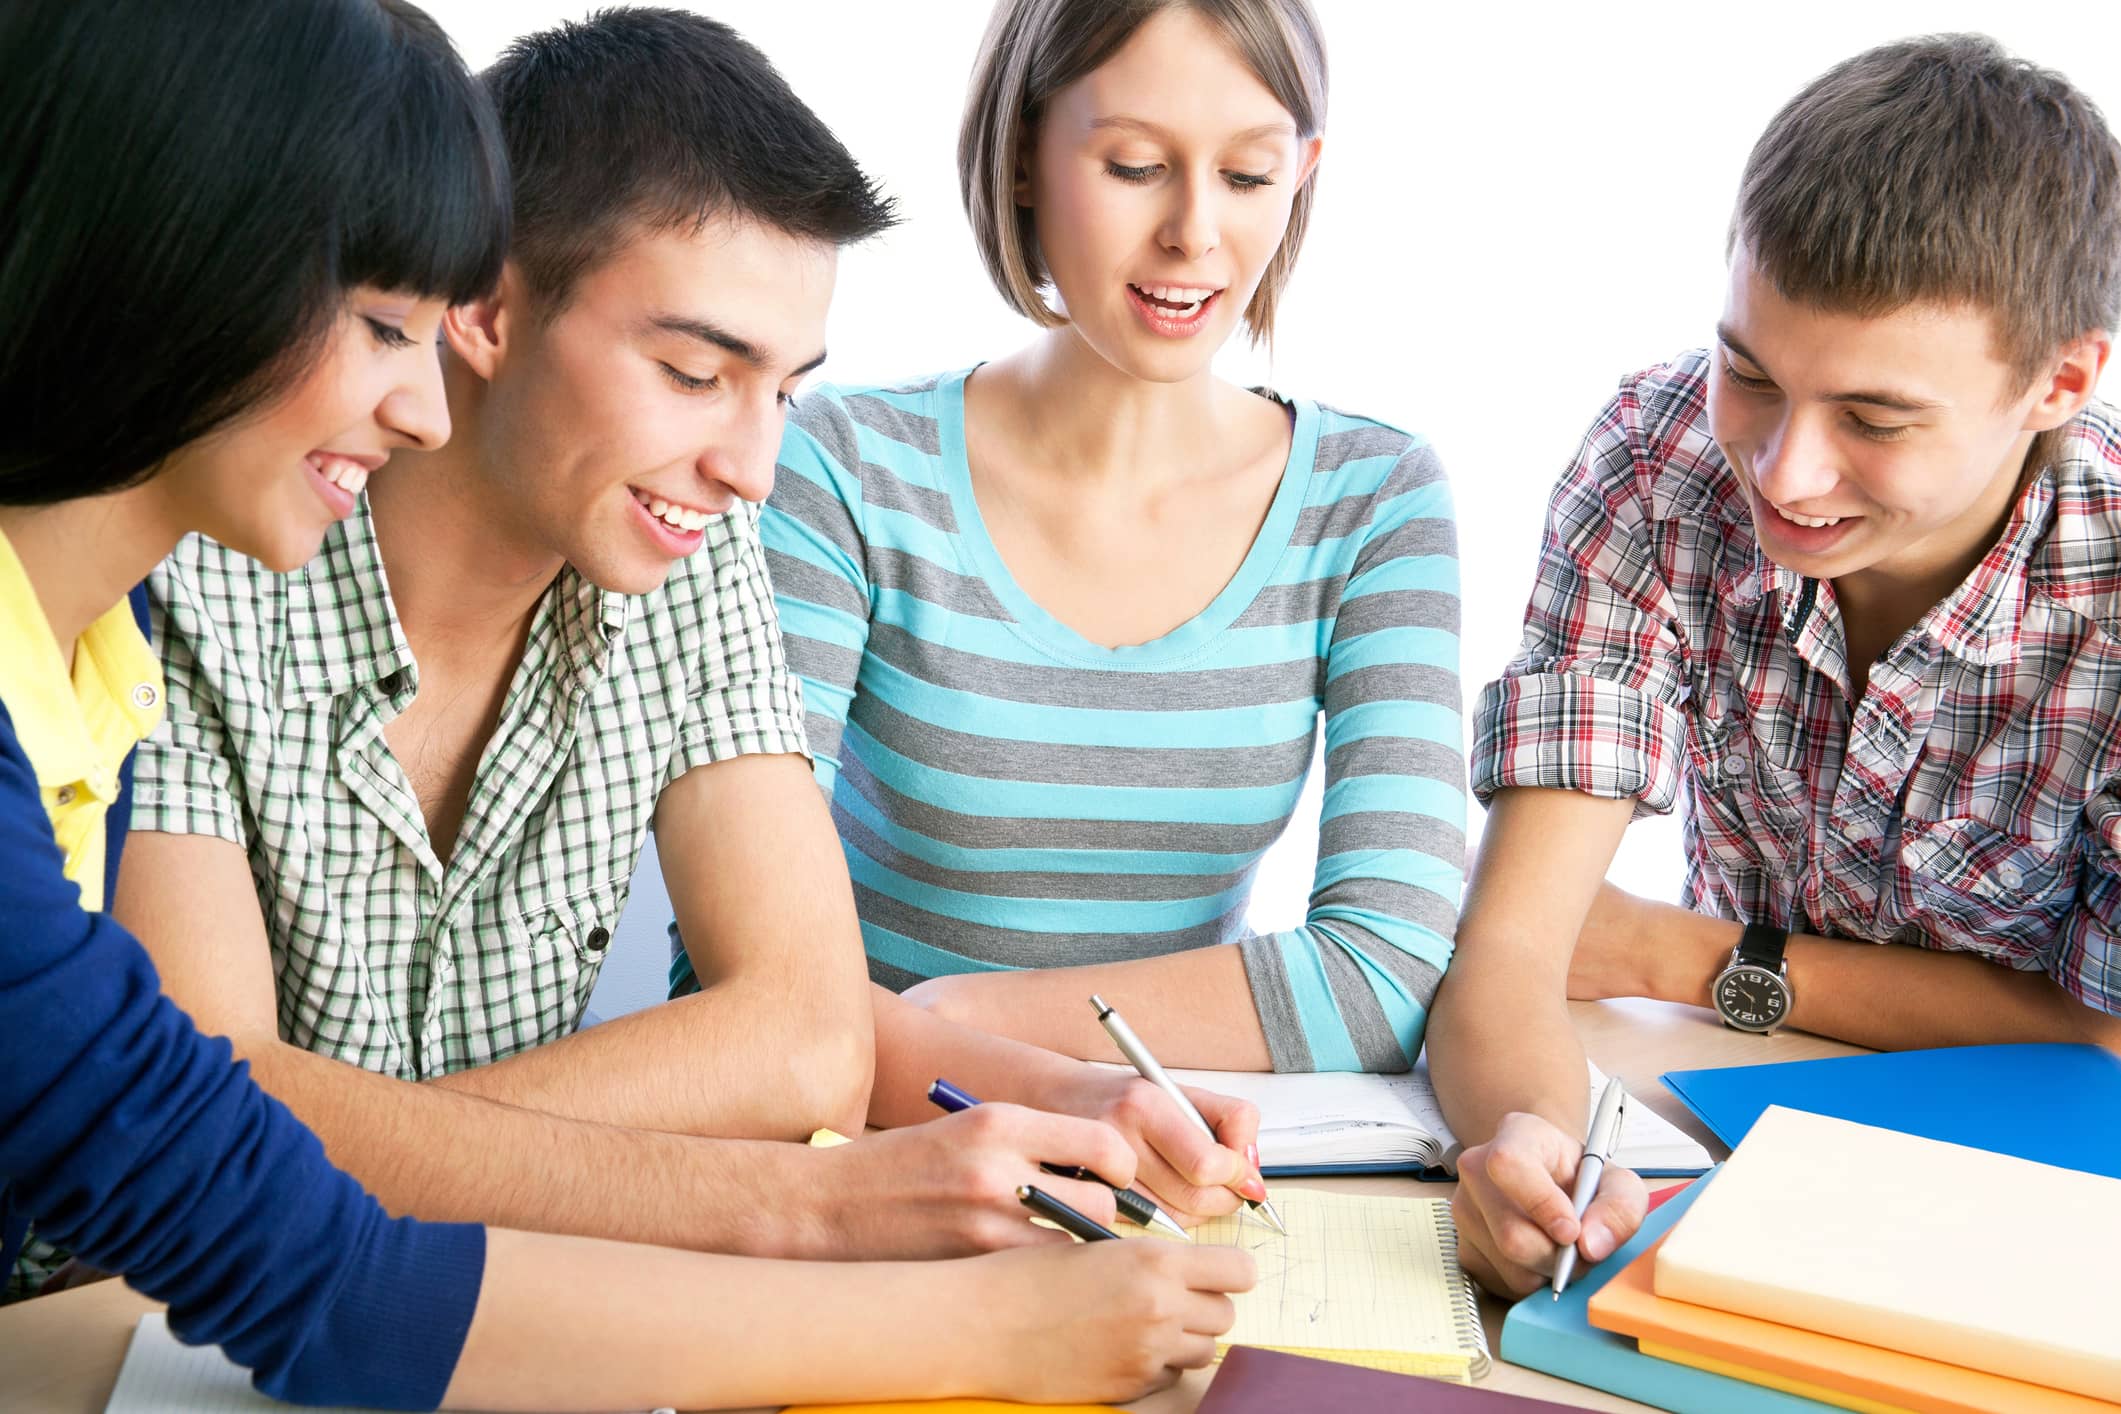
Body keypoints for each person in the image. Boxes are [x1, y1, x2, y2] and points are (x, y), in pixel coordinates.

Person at [1, 1, 1247, 1405]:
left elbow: (807, 1035)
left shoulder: (670, 558)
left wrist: (356, 1148)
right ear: (485, 306)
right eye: (696, 373)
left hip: (443, 1299)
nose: (753, 468)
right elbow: (237, 1158)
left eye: (783, 390)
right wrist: (865, 1241)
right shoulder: (185, 562)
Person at [1430, 33, 2121, 1299]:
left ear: (2060, 381)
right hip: (1710, 1138)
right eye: (1748, 372)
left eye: (1874, 418)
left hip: (2044, 1215)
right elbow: (1518, 949)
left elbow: (2109, 1043)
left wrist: (1686, 956)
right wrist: (1524, 1144)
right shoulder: (1657, 460)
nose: (1784, 472)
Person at [720, 0, 1465, 1085]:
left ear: (1301, 173)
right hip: (859, 1145)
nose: (1195, 233)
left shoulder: (1374, 498)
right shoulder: (838, 468)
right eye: (1133, 166)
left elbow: (1384, 976)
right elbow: (739, 974)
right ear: (1023, 155)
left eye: (1248, 177)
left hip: (1174, 1159)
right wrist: (957, 1069)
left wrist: (945, 1020)